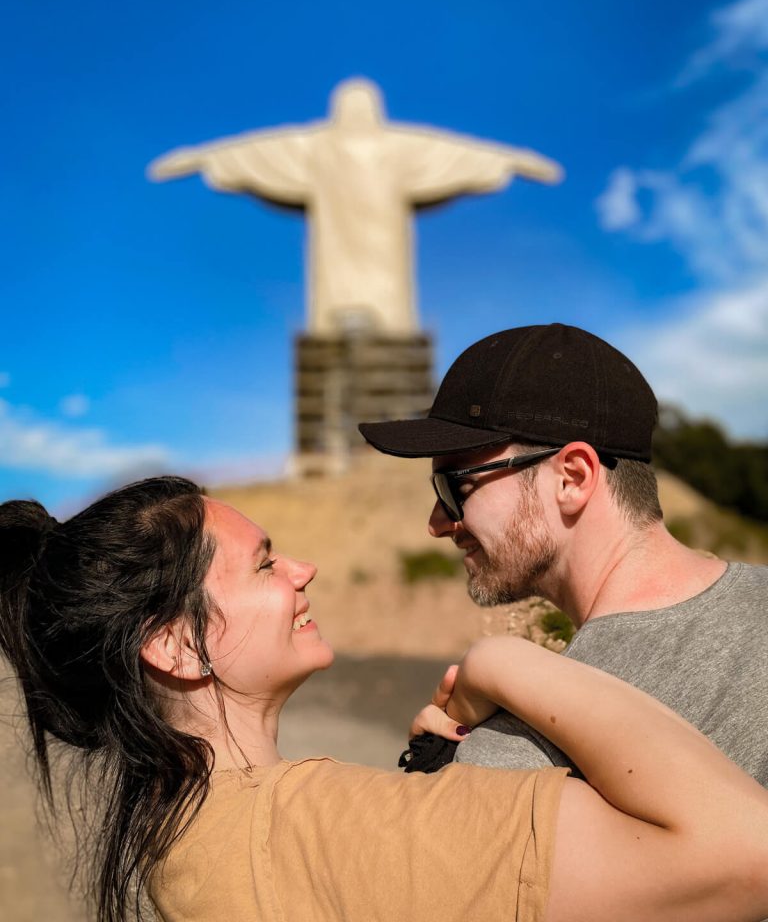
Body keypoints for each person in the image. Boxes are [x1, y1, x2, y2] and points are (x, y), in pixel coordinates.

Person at [0, 477, 767, 922]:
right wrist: (502, 665)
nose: (304, 569)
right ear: (174, 646)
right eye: (265, 565)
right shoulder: (311, 826)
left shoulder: (182, 841)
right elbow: (744, 856)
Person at [359, 322, 768, 780]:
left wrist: (436, 762)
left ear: (572, 478)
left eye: (456, 486)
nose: (437, 524)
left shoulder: (523, 756)